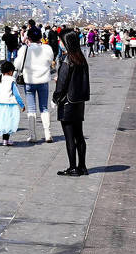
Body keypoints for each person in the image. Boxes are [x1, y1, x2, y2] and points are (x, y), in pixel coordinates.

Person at [54, 32, 92, 177]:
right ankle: (82, 166)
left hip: (67, 102)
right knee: (79, 136)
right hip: (79, 101)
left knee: (69, 137)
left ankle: (72, 167)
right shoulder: (81, 58)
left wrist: (55, 98)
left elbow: (62, 83)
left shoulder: (67, 59)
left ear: (66, 42)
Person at [15, 25, 56, 143]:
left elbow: (17, 65)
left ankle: (33, 135)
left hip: (29, 81)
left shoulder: (24, 49)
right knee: (44, 107)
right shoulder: (47, 48)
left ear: (29, 37)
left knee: (31, 109)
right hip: (43, 80)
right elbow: (50, 61)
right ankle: (48, 134)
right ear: (40, 37)